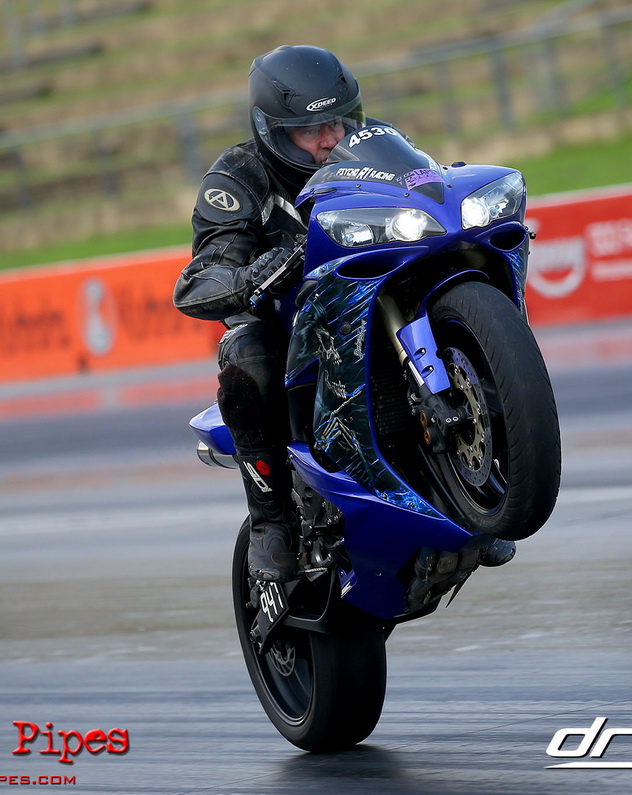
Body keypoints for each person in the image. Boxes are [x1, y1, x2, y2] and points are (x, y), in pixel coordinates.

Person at [174, 45, 514, 582]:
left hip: (370, 292)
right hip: (291, 324)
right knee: (247, 353)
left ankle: (487, 482)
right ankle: (271, 521)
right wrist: (251, 276)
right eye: (310, 130)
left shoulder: (375, 142)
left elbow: (428, 185)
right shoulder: (237, 178)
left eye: (338, 120)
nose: (330, 138)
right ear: (272, 131)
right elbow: (201, 277)